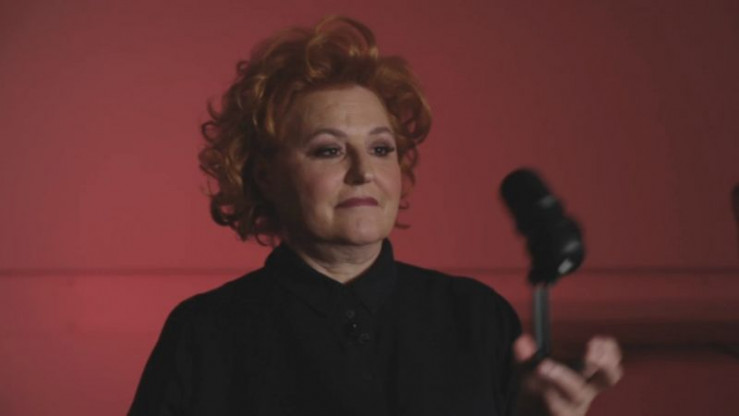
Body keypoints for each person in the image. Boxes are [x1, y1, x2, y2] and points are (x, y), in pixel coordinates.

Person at [129, 16, 622, 416]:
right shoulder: (204, 332)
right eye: (329, 150)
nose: (364, 171)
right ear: (265, 176)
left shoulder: (477, 317)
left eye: (381, 148)